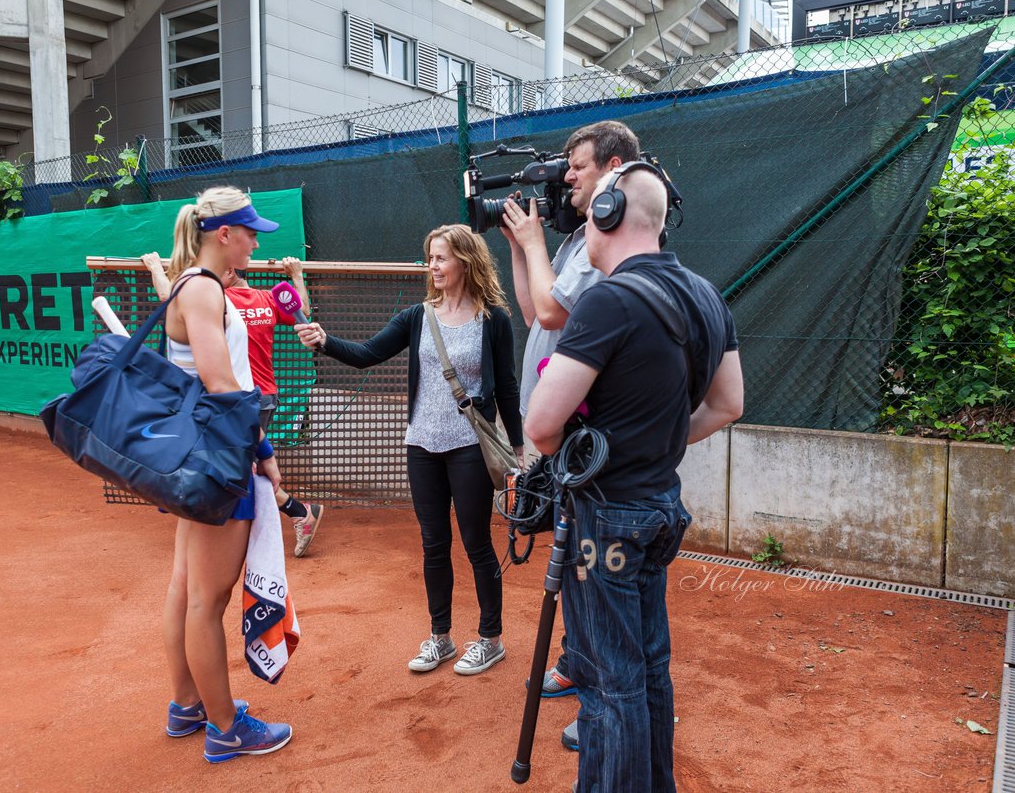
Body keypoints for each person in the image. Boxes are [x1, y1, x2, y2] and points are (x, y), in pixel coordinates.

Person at [524, 165, 744, 792]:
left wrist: (594, 452)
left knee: (609, 680)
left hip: (604, 519)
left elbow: (542, 425)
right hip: (659, 508)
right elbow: (729, 404)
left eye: (589, 205)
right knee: (649, 669)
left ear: (609, 212)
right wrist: (659, 441)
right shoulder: (706, 295)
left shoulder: (608, 299)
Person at [296, 224, 522, 675]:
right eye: (431, 258)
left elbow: (509, 388)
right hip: (421, 444)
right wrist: (325, 341)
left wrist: (516, 453)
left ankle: (490, 638)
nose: (433, 266)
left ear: (465, 260)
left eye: (441, 258)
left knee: (477, 544)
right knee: (433, 543)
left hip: (469, 447)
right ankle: (440, 638)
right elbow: (367, 354)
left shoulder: (493, 317)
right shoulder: (418, 316)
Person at [502, 120, 640, 712]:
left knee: (591, 563)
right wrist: (519, 247)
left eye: (577, 166)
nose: (568, 176)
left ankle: (605, 691)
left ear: (613, 168)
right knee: (572, 551)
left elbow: (557, 315)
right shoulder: (576, 239)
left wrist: (534, 245)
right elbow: (536, 314)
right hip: (561, 428)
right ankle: (578, 660)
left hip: (588, 436)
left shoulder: (606, 240)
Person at [158, 185, 293, 764]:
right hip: (219, 459)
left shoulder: (192, 286)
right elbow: (220, 383)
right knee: (205, 603)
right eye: (250, 231)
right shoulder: (207, 291)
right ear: (224, 235)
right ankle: (223, 728)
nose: (256, 241)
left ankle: (187, 704)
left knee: (186, 590)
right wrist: (262, 450)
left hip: (196, 455)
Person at [143, 252, 325, 557]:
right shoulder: (267, 299)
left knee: (243, 470)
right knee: (245, 466)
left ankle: (297, 513)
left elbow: (167, 296)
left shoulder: (219, 302)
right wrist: (296, 273)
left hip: (236, 400)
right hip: (263, 397)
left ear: (228, 271)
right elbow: (302, 309)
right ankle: (295, 512)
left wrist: (153, 268)